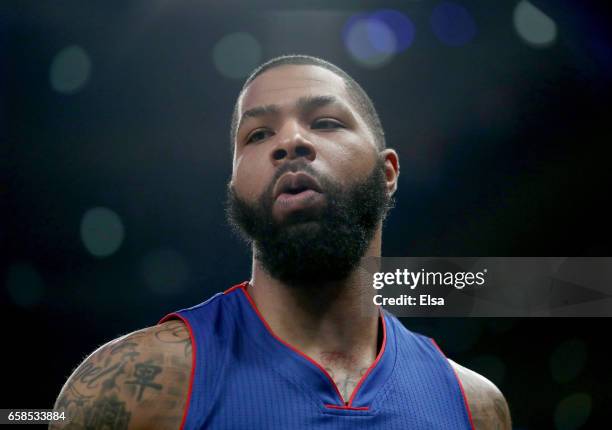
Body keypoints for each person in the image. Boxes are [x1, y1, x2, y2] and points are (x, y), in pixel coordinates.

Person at [51, 55, 512, 429]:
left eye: (326, 122)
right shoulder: (132, 383)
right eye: (258, 134)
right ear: (236, 187)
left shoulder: (476, 407)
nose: (289, 141)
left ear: (388, 173)